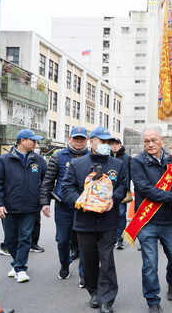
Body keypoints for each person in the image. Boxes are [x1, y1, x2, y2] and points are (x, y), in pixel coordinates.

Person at [62, 127, 127, 313]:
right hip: (85, 220)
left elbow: (123, 186)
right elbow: (67, 188)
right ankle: (94, 292)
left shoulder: (118, 164)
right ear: (92, 142)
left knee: (107, 258)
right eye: (102, 141)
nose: (105, 145)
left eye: (108, 142)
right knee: (89, 258)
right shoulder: (77, 164)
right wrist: (81, 201)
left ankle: (107, 299)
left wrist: (112, 201)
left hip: (108, 220)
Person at [128, 126, 172, 313]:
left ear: (162, 140)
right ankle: (153, 301)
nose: (150, 144)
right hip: (147, 222)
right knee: (150, 263)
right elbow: (145, 189)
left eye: (154, 140)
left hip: (170, 221)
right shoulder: (137, 162)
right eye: (146, 141)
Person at [40, 126, 90, 284]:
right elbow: (48, 181)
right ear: (69, 139)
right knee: (62, 240)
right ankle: (64, 264)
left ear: (87, 140)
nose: (79, 141)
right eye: (76, 138)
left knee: (85, 242)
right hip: (64, 207)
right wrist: (45, 202)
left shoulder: (92, 157)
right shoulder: (58, 156)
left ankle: (84, 273)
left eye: (82, 138)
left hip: (86, 208)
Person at [0, 129, 47, 283]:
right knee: (11, 240)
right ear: (22, 140)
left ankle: (20, 268)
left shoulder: (39, 161)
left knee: (25, 238)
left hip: (31, 207)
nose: (36, 143)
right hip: (9, 207)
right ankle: (16, 264)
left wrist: (44, 202)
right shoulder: (4, 160)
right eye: (33, 140)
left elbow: (45, 183)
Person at [109, 138, 131, 250]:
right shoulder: (107, 156)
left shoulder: (126, 158)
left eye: (116, 144)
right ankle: (111, 238)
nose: (114, 146)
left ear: (120, 145)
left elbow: (130, 173)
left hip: (122, 190)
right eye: (112, 144)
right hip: (108, 191)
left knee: (121, 214)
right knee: (110, 213)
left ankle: (119, 238)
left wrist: (126, 187)